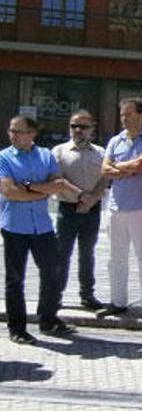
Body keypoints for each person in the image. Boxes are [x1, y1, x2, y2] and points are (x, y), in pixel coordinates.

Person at [1, 115, 81, 343]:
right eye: (11, 131)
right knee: (15, 279)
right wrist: (42, 190)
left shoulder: (45, 155)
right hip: (14, 226)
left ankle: (48, 318)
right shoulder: (3, 158)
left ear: (32, 133)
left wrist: (28, 187)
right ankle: (17, 328)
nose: (13, 135)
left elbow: (58, 185)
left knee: (52, 271)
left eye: (19, 131)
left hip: (42, 226)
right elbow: (9, 192)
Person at [99, 98, 142, 316]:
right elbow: (104, 170)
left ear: (141, 115)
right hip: (116, 206)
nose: (124, 119)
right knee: (116, 258)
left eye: (128, 114)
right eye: (122, 115)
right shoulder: (115, 141)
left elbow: (140, 166)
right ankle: (118, 302)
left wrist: (117, 167)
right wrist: (125, 168)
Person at [52, 110, 108, 311]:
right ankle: (55, 295)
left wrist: (92, 199)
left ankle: (87, 295)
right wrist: (81, 196)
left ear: (91, 129)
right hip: (67, 208)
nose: (77, 130)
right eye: (74, 126)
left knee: (87, 253)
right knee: (62, 253)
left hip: (92, 210)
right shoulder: (59, 151)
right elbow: (56, 178)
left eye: (83, 126)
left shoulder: (101, 153)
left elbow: (105, 178)